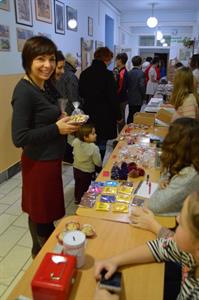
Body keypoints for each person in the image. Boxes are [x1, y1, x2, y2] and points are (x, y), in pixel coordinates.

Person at [11, 36, 79, 258]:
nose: (47, 65)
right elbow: (19, 137)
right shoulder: (24, 91)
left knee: (41, 213)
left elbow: (47, 117)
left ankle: (38, 253)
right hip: (38, 164)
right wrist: (56, 129)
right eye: (40, 59)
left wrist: (62, 118)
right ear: (28, 60)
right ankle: (47, 259)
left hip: (50, 161)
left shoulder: (44, 86)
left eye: (51, 59)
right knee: (42, 218)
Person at [95, 191, 199, 299]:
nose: (177, 218)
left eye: (181, 223)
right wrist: (114, 261)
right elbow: (159, 248)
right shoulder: (188, 252)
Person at [147, 117, 199, 215]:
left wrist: (160, 186)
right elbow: (167, 172)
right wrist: (164, 179)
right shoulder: (186, 159)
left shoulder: (190, 174)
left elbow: (154, 205)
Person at [79, 47, 122, 160]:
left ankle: (90, 166)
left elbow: (81, 93)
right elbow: (113, 98)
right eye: (110, 59)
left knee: (90, 140)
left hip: (89, 113)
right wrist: (118, 116)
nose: (110, 62)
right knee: (102, 141)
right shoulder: (108, 75)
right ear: (106, 59)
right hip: (105, 115)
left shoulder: (84, 73)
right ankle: (98, 165)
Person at [72, 123, 102, 204]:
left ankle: (77, 198)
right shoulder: (94, 148)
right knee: (85, 187)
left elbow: (74, 153)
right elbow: (97, 162)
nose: (95, 135)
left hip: (76, 168)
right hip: (87, 171)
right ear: (85, 137)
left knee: (78, 184)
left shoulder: (76, 141)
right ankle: (83, 202)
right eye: (93, 134)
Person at [127, 55, 146, 123]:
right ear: (140, 63)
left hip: (130, 97)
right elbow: (142, 87)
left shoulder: (129, 73)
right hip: (138, 98)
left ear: (132, 63)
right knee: (136, 115)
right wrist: (144, 97)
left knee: (130, 114)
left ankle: (127, 129)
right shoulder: (141, 73)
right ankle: (133, 130)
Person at [113, 53, 128, 131]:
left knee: (120, 118)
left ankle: (121, 137)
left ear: (120, 60)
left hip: (120, 99)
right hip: (121, 98)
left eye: (116, 59)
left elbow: (119, 88)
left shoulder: (122, 73)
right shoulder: (119, 70)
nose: (115, 61)